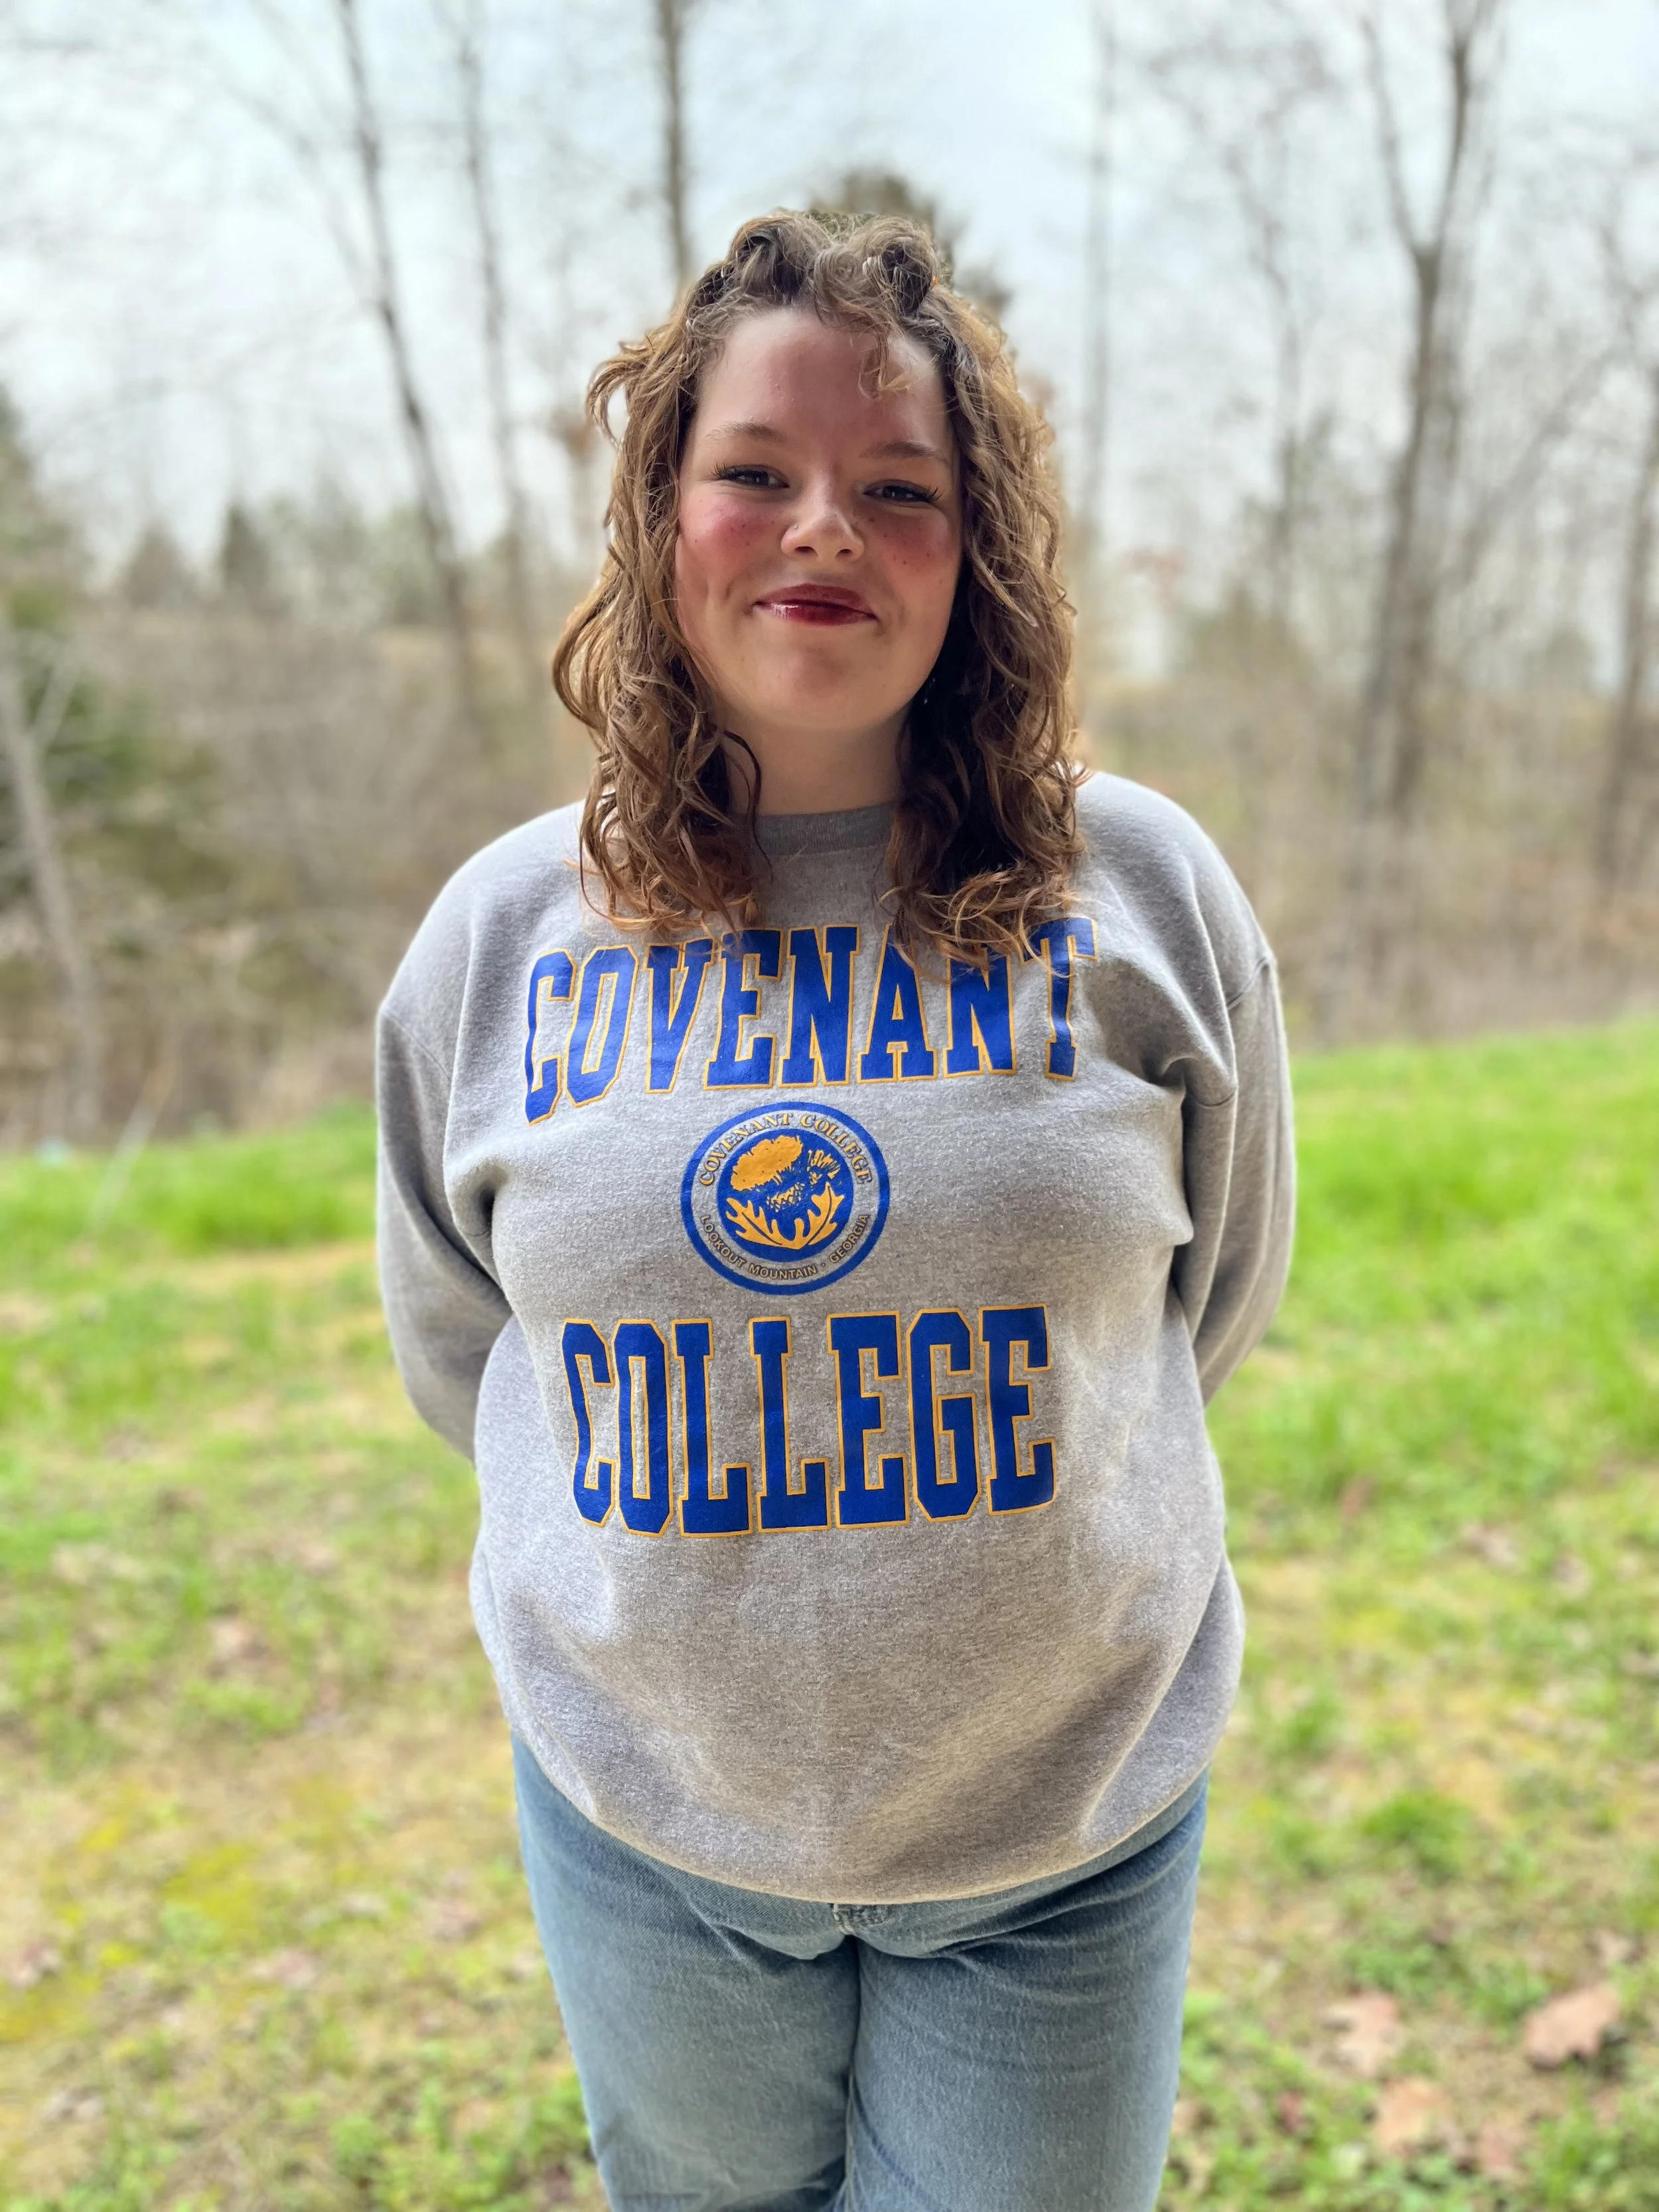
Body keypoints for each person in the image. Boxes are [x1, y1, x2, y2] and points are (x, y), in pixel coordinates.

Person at [376, 210, 1295, 2212]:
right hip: (643, 1817)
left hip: (1056, 1816)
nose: (821, 529)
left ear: (976, 561)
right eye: (752, 472)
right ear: (657, 515)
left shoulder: (1139, 889)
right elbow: (471, 1343)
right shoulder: (497, 934)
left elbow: (1201, 1301)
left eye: (898, 489)